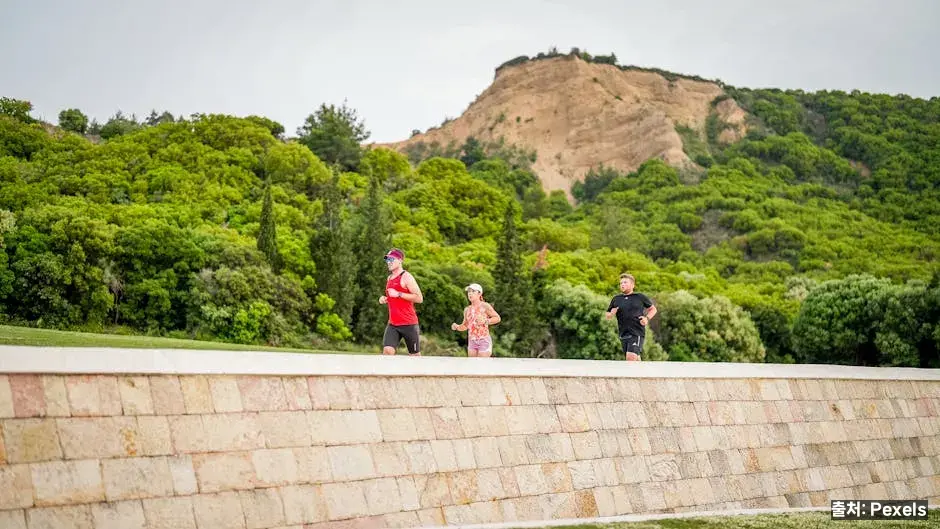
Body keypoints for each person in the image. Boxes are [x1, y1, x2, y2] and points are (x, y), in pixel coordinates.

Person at [378, 248, 424, 355]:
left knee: (415, 356)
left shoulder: (406, 277)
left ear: (400, 260)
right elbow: (393, 297)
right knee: (387, 351)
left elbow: (419, 298)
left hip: (409, 324)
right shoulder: (389, 278)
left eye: (391, 259)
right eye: (387, 260)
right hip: (393, 324)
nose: (388, 262)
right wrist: (385, 299)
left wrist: (399, 294)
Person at [605, 273, 657, 361]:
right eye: (621, 283)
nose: (622, 284)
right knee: (635, 359)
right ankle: (643, 370)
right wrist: (611, 314)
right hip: (623, 334)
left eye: (625, 282)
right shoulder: (616, 299)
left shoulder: (639, 297)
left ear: (632, 285)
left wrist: (646, 318)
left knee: (630, 358)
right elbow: (607, 315)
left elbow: (653, 309)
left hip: (636, 333)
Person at [451, 283, 501, 357]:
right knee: (472, 364)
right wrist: (457, 327)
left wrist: (486, 321)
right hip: (472, 341)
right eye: (469, 291)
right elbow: (465, 326)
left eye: (473, 291)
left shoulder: (485, 305)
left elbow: (497, 318)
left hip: (484, 340)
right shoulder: (467, 309)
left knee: (481, 364)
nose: (470, 293)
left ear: (479, 294)